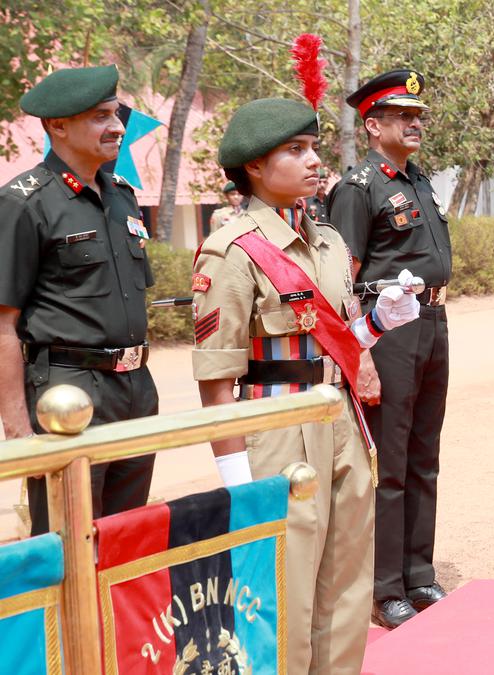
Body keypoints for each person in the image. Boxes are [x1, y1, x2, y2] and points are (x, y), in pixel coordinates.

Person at [191, 97, 420, 674]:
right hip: (275, 426)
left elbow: (337, 340)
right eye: (295, 151)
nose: (314, 160)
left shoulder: (330, 243)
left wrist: (379, 321)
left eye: (314, 148)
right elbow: (217, 377)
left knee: (346, 580)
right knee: (282, 588)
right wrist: (234, 482)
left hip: (338, 414)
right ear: (255, 169)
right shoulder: (232, 251)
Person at [0, 65, 157, 535]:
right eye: (99, 117)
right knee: (69, 542)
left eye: (115, 114)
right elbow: (3, 324)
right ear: (58, 126)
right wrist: (19, 432)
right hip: (68, 390)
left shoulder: (122, 197)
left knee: (126, 536)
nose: (117, 127)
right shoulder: (23, 203)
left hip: (136, 387)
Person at [326, 68, 452, 628]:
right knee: (391, 459)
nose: (415, 122)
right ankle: (386, 586)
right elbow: (343, 276)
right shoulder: (358, 188)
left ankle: (419, 574)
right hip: (388, 329)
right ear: (373, 125)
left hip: (433, 319)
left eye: (419, 115)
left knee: (424, 454)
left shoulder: (419, 181)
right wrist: (363, 352)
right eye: (404, 115)